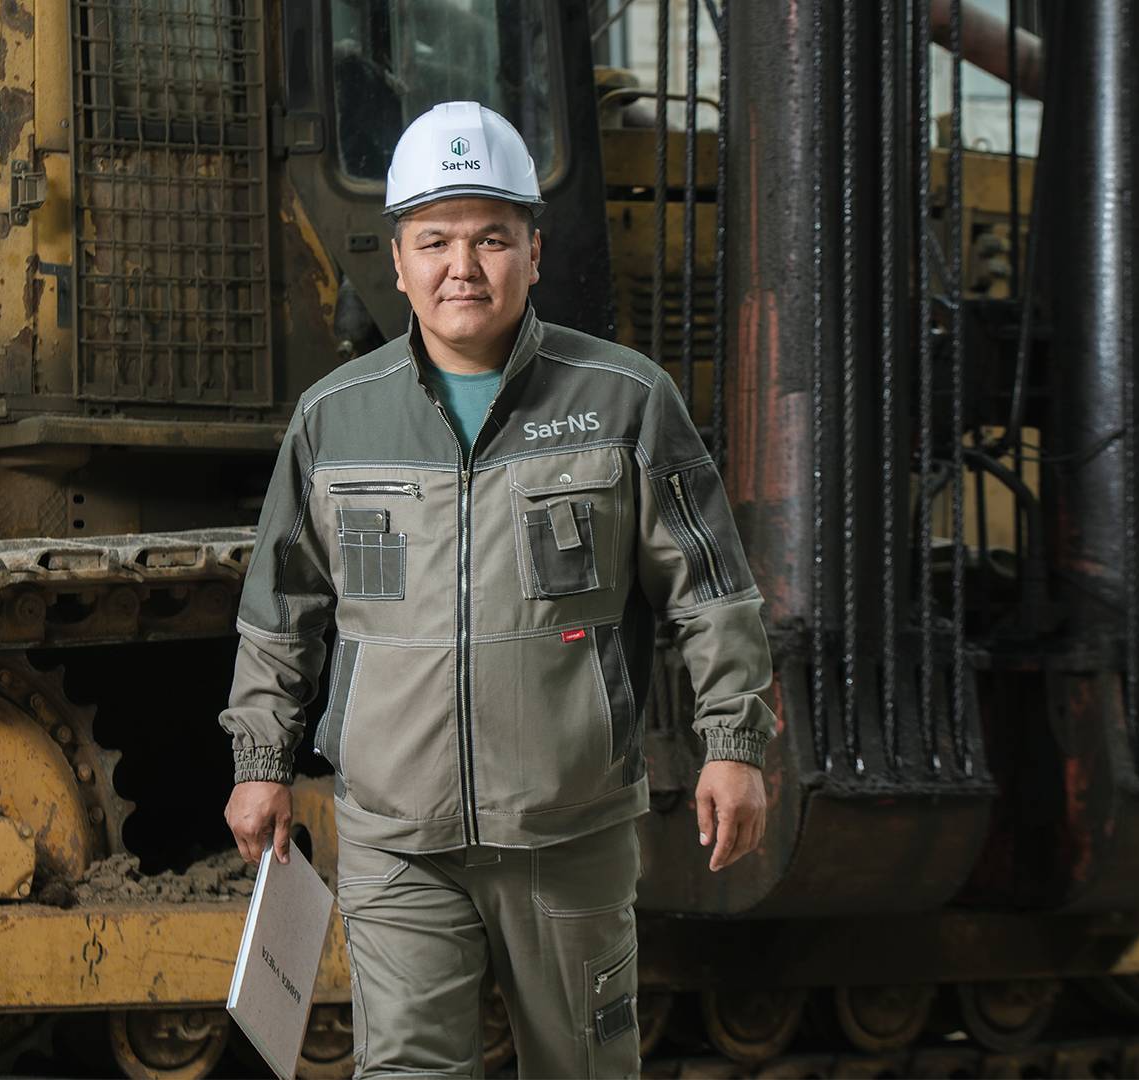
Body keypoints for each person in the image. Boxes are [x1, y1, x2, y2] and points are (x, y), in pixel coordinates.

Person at [219, 101, 775, 1078]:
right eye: (434, 241)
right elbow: (281, 609)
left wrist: (733, 745)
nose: (462, 267)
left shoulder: (625, 400)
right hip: (398, 837)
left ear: (534, 252)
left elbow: (711, 591)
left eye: (490, 238)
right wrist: (260, 760)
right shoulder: (334, 421)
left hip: (569, 830)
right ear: (399, 261)